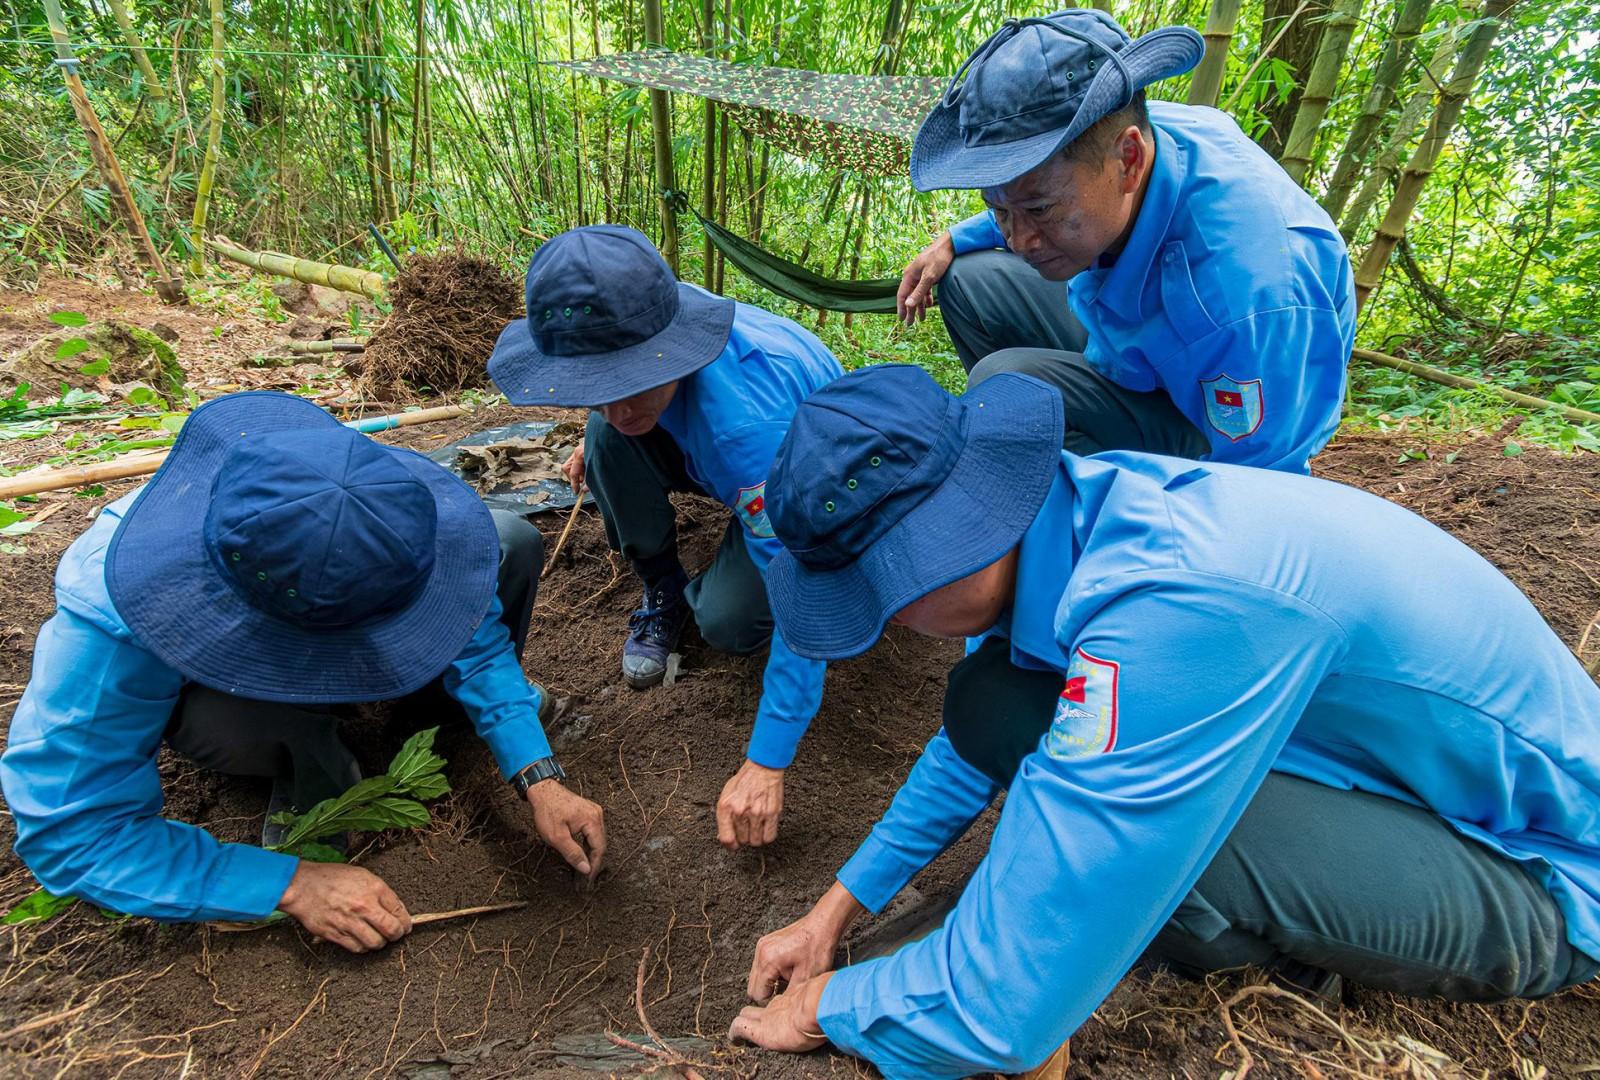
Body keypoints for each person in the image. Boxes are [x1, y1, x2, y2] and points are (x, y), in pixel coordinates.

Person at [728, 364, 1600, 1078]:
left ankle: (1280, 963)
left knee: (1140, 871)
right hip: (1396, 785)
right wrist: (834, 913)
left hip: (1539, 877)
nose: (886, 620)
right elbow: (971, 744)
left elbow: (1003, 1012)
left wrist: (830, 1006)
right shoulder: (1080, 516)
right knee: (995, 702)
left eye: (883, 591)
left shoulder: (1172, 603)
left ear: (952, 539)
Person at [0, 392, 607, 954]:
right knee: (223, 715)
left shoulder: (368, 506)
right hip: (231, 699)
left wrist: (534, 768)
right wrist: (287, 883)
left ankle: (441, 711)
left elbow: (466, 623)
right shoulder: (118, 609)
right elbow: (75, 831)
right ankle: (307, 760)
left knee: (505, 539)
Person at [488, 225, 843, 849]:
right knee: (607, 441)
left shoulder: (745, 433)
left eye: (629, 385)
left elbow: (804, 591)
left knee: (729, 623)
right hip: (727, 449)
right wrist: (601, 428)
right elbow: (617, 396)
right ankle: (664, 590)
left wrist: (768, 760)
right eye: (594, 390)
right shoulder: (636, 309)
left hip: (814, 476)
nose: (618, 406)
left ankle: (739, 553)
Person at [896, 9, 1354, 473]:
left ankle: (1082, 487)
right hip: (1133, 349)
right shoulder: (1130, 132)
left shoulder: (1250, 299)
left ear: (1128, 160)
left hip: (1208, 419)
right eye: (1000, 210)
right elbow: (1030, 195)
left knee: (1007, 381)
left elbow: (1263, 480)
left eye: (1038, 210)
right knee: (972, 279)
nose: (1018, 240)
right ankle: (1027, 444)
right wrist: (955, 238)